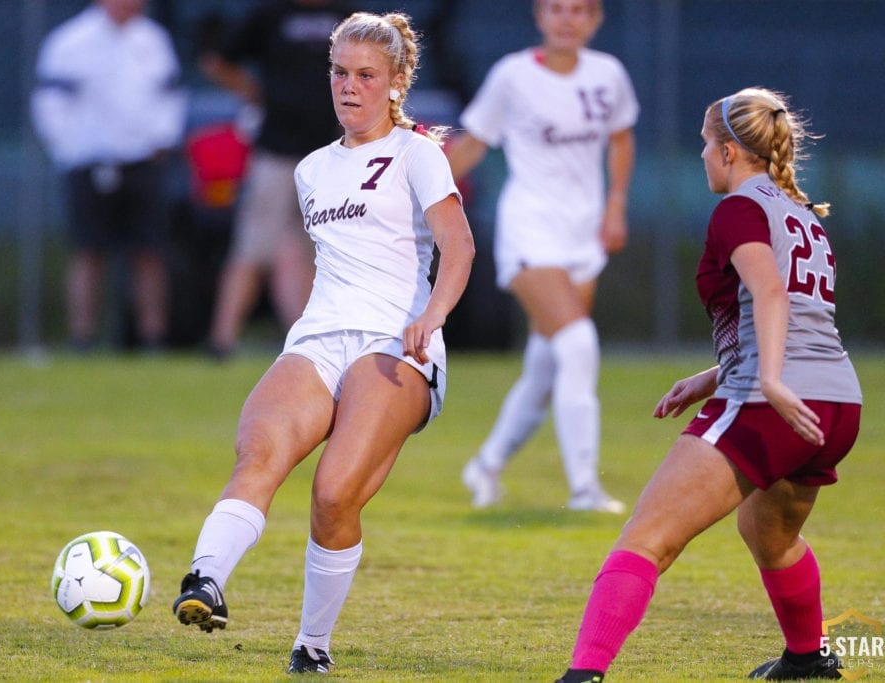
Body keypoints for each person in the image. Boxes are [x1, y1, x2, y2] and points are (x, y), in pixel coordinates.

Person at [172, 11, 475, 675]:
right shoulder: (311, 169)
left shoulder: (419, 153)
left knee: (335, 492)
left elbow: (459, 244)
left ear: (396, 82)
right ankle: (203, 580)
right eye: (340, 72)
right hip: (318, 336)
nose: (349, 85)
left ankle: (312, 644)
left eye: (367, 75)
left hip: (396, 342)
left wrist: (435, 315)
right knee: (258, 451)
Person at [555, 87, 862, 683]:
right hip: (836, 403)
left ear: (728, 152)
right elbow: (799, 317)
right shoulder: (800, 213)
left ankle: (582, 675)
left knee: (646, 539)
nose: (700, 156)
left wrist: (766, 379)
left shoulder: (740, 209)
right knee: (768, 531)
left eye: (703, 145)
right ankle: (808, 659)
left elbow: (770, 292)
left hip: (775, 397)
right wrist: (710, 377)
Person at [447, 0, 638, 512]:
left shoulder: (608, 74)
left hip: (582, 234)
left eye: (579, 10)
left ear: (595, 20)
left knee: (546, 371)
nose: (567, 19)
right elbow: (472, 145)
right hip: (530, 229)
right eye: (556, 8)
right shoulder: (512, 75)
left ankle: (485, 465)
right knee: (577, 345)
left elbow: (621, 138)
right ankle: (584, 489)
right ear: (539, 16)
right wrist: (421, 187)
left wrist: (615, 204)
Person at [197, 0, 355, 359]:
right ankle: (222, 338)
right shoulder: (271, 14)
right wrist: (253, 92)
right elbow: (217, 60)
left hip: (329, 154)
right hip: (276, 151)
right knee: (253, 247)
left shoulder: (347, 15)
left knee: (315, 251)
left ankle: (310, 340)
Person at [31, 0, 186, 352]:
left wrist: (161, 141)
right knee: (88, 251)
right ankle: (83, 337)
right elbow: (50, 104)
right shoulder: (70, 42)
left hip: (143, 162)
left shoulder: (153, 40)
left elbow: (170, 96)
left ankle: (152, 337)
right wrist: (71, 148)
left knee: (148, 252)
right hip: (88, 163)